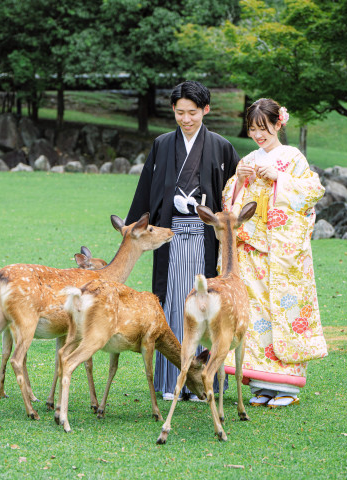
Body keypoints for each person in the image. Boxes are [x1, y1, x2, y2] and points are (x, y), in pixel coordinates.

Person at [126, 81, 240, 401]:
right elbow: (147, 188)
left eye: (192, 112)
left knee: (207, 309)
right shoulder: (163, 144)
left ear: (206, 110)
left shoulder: (221, 147)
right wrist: (133, 227)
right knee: (174, 306)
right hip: (172, 238)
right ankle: (172, 382)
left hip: (206, 239)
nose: (186, 119)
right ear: (173, 111)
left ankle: (205, 380)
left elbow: (233, 195)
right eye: (179, 112)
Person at [221, 98, 327, 408]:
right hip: (252, 251)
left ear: (278, 124)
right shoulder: (250, 158)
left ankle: (287, 387)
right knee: (255, 315)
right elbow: (231, 204)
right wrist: (239, 180)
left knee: (284, 310)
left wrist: (280, 177)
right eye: (253, 129)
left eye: (263, 128)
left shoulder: (292, 157)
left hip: (281, 252)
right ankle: (260, 384)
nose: (258, 135)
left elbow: (312, 192)